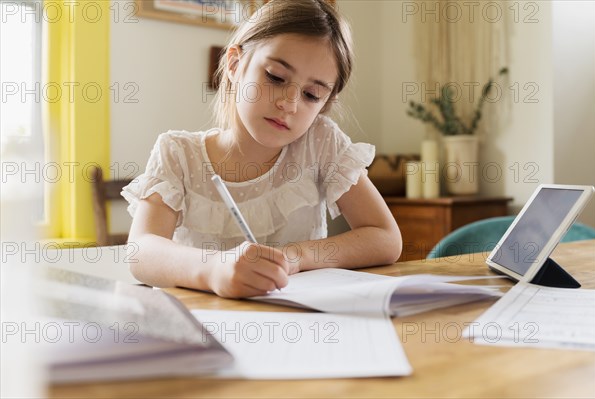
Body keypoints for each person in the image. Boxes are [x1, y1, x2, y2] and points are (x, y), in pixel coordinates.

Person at [123, 0, 402, 298]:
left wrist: (295, 257)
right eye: (275, 77)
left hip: (299, 327)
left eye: (311, 94)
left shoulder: (320, 143)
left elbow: (385, 238)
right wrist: (214, 269)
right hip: (204, 328)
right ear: (234, 64)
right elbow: (141, 251)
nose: (289, 104)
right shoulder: (178, 153)